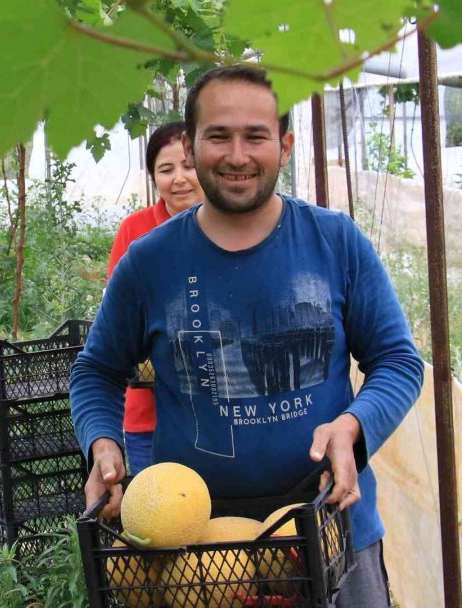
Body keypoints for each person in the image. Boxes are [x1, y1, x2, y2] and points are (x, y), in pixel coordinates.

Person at [71, 65, 424, 607]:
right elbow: (97, 369)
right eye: (219, 136)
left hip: (330, 524)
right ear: (190, 146)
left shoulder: (335, 241)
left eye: (255, 136)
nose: (238, 155)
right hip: (196, 551)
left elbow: (398, 361)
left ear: (283, 145)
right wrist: (102, 443)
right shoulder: (149, 263)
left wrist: (353, 426)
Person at [106, 121, 204, 475]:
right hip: (149, 416)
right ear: (153, 177)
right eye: (166, 169)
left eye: (188, 166)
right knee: (160, 519)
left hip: (216, 414)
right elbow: (120, 316)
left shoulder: (232, 226)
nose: (179, 178)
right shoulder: (135, 230)